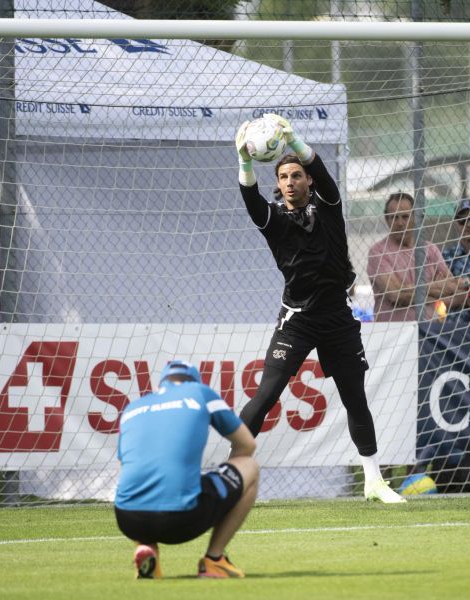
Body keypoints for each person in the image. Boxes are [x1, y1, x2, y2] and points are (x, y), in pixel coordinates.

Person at [234, 114, 405, 503]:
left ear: (307, 180)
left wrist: (292, 141)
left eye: (296, 175)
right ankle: (230, 474)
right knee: (266, 395)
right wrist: (244, 160)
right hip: (297, 319)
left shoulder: (328, 205)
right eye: (284, 178)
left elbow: (322, 171)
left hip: (337, 319)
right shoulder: (273, 220)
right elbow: (249, 198)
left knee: (354, 397)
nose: (291, 182)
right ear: (277, 185)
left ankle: (374, 481)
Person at [114, 361, 259, 579]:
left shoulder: (133, 407)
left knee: (142, 482)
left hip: (128, 519)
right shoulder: (200, 393)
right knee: (250, 467)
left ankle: (147, 549)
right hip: (181, 519)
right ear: (195, 380)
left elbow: (124, 465)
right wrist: (228, 479)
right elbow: (247, 445)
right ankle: (215, 560)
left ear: (162, 382)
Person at [367, 191, 468, 322]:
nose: (400, 223)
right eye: (394, 217)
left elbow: (451, 288)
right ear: (387, 220)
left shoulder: (430, 249)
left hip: (428, 331)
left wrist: (408, 288)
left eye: (405, 217)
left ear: (414, 218)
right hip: (394, 332)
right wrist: (435, 287)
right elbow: (396, 296)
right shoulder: (378, 252)